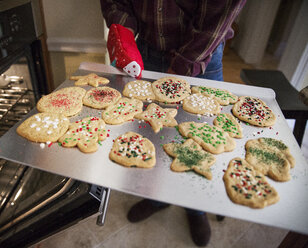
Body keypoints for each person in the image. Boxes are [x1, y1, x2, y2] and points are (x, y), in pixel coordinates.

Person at [100, 0, 246, 246]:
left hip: (202, 54)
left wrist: (180, 68)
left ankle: (195, 208)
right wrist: (123, 34)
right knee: (154, 137)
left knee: (201, 142)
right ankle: (158, 197)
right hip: (146, 49)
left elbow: (216, 17)